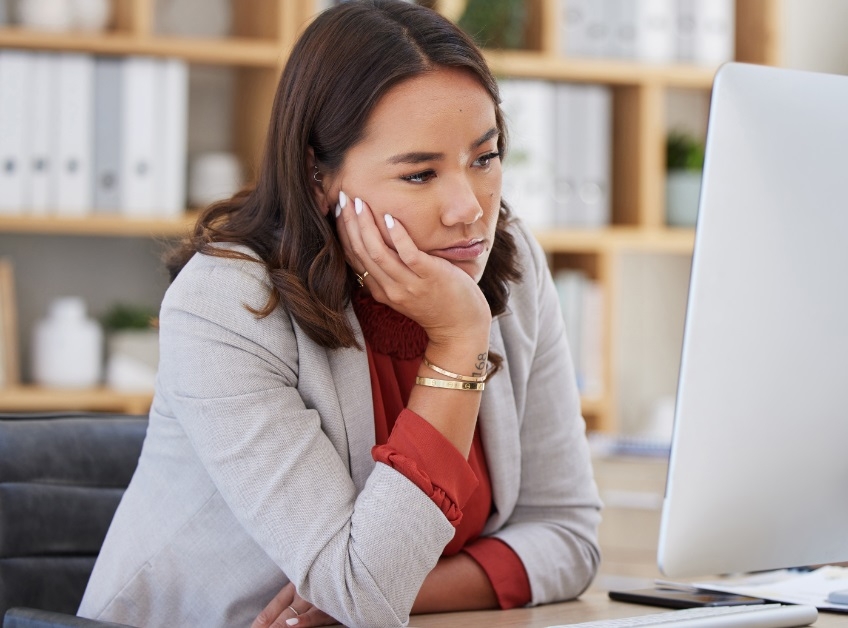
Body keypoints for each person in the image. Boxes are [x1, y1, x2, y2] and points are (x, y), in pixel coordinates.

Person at [77, 2, 601, 626]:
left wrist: (394, 591)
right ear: (318, 176)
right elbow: (360, 592)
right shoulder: (225, 305)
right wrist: (459, 343)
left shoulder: (511, 263)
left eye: (483, 159)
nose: (468, 209)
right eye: (419, 173)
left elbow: (568, 535)